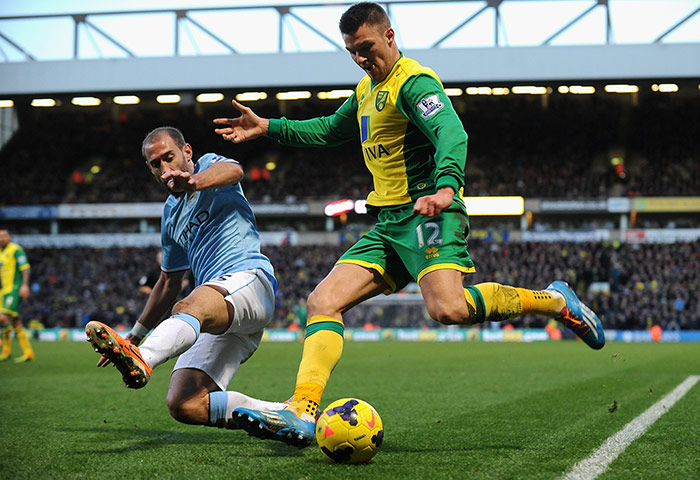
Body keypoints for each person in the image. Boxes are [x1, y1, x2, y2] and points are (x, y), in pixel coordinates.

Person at [214, 2, 605, 448]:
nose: (361, 58)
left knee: (448, 310)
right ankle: (302, 409)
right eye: (352, 52)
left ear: (389, 37)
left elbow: (451, 132)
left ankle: (554, 301)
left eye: (366, 48)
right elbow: (327, 130)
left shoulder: (414, 82)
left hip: (429, 212)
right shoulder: (365, 89)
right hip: (388, 223)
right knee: (322, 300)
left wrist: (446, 186)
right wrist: (268, 126)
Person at [86, 126, 286, 429]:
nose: (166, 169)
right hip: (216, 311)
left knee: (187, 306)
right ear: (150, 169)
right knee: (185, 404)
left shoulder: (208, 167)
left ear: (187, 152)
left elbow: (235, 170)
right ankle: (283, 413)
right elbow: (168, 282)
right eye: (156, 164)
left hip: (248, 281)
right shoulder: (170, 216)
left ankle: (146, 359)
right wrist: (135, 335)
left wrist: (193, 182)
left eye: (169, 158)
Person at [0, 229, 34, 363]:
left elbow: (25, 267)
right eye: (0, 236)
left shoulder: (16, 250)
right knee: (15, 322)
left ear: (10, 237)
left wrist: (24, 285)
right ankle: (28, 352)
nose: (2, 238)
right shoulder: (1, 253)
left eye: (4, 236)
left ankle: (6, 350)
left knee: (2, 317)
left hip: (14, 289)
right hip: (4, 291)